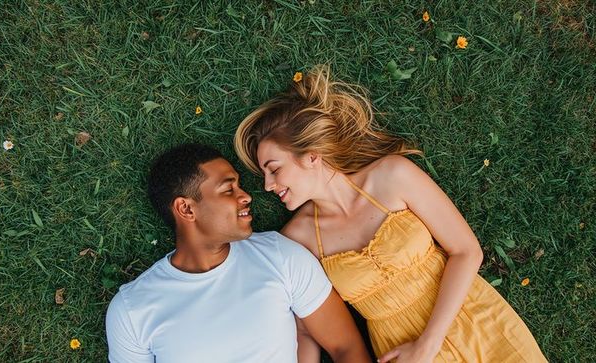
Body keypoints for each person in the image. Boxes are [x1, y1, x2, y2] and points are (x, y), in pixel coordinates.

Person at [234, 65, 548, 363]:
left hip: (476, 319)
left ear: (312, 156)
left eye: (274, 170)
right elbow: (306, 329)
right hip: (396, 350)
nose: (268, 185)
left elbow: (466, 251)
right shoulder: (298, 239)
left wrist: (428, 345)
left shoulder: (391, 177)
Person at [105, 143, 370, 363]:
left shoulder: (280, 255)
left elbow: (346, 347)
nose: (246, 197)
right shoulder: (132, 310)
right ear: (186, 209)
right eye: (228, 189)